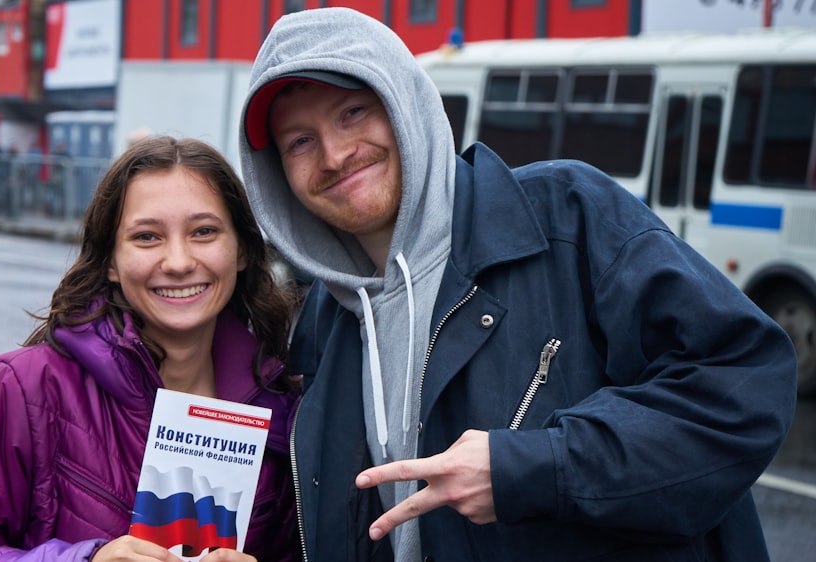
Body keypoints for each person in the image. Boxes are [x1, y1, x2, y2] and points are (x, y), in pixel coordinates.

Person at [238, 7, 797, 562]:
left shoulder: (568, 218)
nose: (335, 154)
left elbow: (743, 382)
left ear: (404, 101)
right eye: (300, 142)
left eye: (354, 111)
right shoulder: (324, 321)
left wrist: (529, 469)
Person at [0, 136, 302, 562]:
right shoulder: (22, 389)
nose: (178, 261)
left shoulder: (282, 411)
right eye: (147, 236)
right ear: (110, 261)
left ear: (240, 251)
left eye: (204, 232)